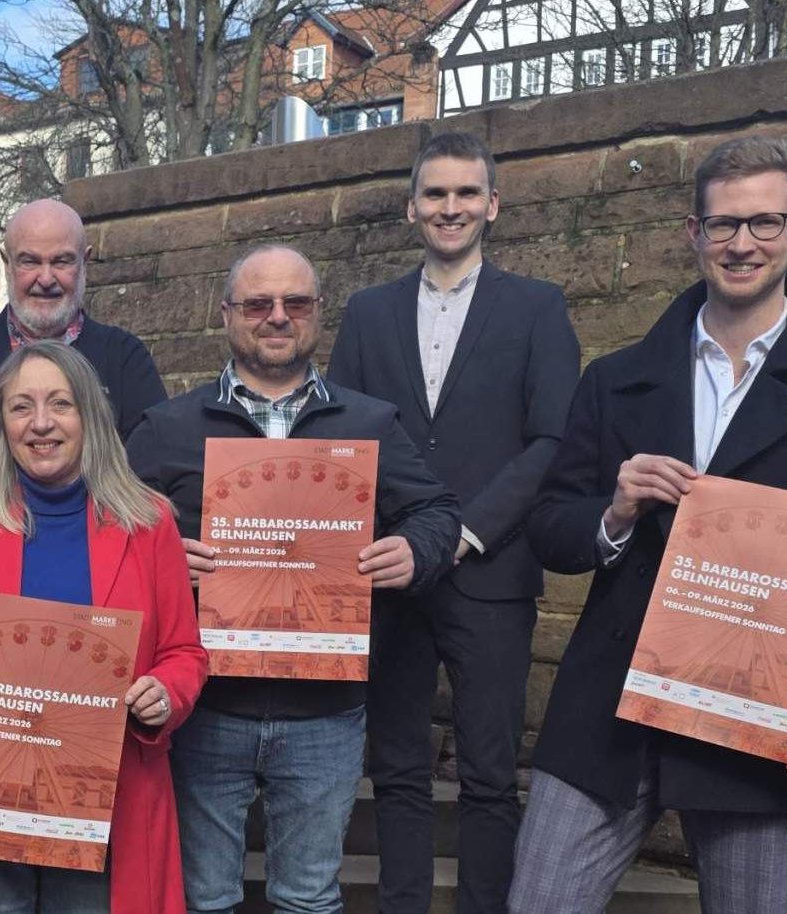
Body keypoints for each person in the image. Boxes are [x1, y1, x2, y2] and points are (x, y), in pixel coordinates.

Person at [512, 137, 787, 912]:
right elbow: (549, 527)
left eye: (765, 223)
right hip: (608, 716)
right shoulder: (614, 379)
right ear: (693, 233)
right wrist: (613, 512)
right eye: (723, 225)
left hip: (767, 728)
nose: (743, 243)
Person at [127, 245, 462, 914]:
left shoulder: (370, 423)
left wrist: (414, 551)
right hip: (206, 707)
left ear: (316, 317)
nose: (277, 317)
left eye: (296, 304)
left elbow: (437, 510)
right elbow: (105, 527)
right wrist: (157, 557)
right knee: (203, 897)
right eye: (258, 304)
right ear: (227, 315)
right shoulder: (169, 426)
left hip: (325, 713)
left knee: (308, 898)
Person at [327, 132, 580, 914]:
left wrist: (466, 532)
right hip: (393, 575)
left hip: (491, 572)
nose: (450, 207)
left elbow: (552, 440)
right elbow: (342, 443)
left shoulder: (537, 308)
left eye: (466, 193)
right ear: (412, 207)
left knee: (488, 774)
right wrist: (395, 539)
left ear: (492, 205)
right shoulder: (368, 314)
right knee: (398, 769)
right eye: (435, 193)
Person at [0, 339, 209, 913]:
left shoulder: (149, 521)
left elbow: (185, 653)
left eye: (61, 404)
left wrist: (166, 693)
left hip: (107, 798)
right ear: (0, 423)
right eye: (22, 407)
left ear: (90, 416)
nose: (41, 423)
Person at [0, 199, 167, 605]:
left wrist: (73, 524)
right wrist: (3, 517)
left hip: (97, 567)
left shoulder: (125, 355)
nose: (45, 278)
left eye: (61, 261)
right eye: (30, 261)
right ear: (6, 262)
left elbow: (146, 458)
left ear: (85, 262)